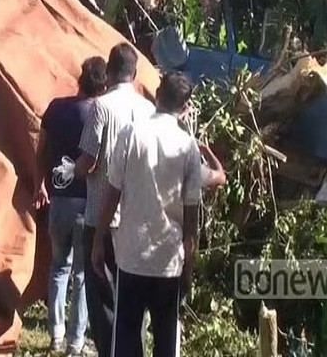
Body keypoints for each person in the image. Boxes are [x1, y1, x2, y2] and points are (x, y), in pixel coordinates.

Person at [92, 72, 202, 357]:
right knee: (166, 337)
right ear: (185, 106)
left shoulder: (130, 134)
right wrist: (189, 263)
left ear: (157, 95)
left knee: (127, 334)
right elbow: (192, 217)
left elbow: (111, 195)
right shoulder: (188, 146)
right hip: (168, 261)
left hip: (131, 257)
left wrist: (98, 241)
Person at [73, 43, 155, 357]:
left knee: (102, 296)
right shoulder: (149, 110)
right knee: (132, 294)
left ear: (108, 72)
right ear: (134, 74)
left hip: (100, 218)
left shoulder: (101, 107)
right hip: (137, 220)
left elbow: (89, 161)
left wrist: (72, 169)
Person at [34, 56, 108, 355]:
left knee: (58, 268)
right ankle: (76, 343)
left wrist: (40, 184)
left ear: (80, 79)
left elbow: (40, 151)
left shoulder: (56, 108)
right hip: (87, 205)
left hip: (58, 202)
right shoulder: (100, 114)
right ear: (103, 85)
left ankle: (55, 335)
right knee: (81, 274)